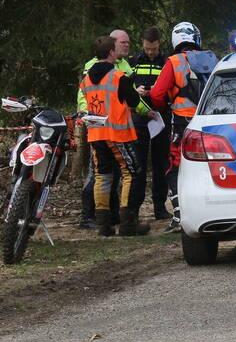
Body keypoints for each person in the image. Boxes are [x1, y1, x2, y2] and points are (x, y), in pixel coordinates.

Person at [75, 29, 150, 230]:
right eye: (115, 49)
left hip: (96, 135)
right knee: (131, 173)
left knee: (102, 176)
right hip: (117, 134)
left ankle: (103, 225)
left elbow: (86, 101)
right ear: (110, 52)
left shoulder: (86, 79)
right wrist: (143, 104)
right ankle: (127, 223)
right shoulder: (118, 76)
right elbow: (133, 101)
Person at [149, 22, 217, 232]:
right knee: (211, 165)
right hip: (211, 122)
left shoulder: (174, 61)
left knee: (175, 167)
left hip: (183, 122)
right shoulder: (212, 59)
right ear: (197, 38)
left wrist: (165, 106)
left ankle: (179, 216)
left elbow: (156, 94)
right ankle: (213, 210)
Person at [128, 26, 172, 221]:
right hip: (139, 117)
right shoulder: (134, 62)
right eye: (147, 48)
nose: (151, 52)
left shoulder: (167, 62)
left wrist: (155, 90)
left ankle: (159, 207)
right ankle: (134, 209)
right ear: (142, 44)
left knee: (161, 163)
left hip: (161, 117)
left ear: (159, 44)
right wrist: (135, 91)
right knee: (138, 164)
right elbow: (124, 86)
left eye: (153, 48)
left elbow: (173, 87)